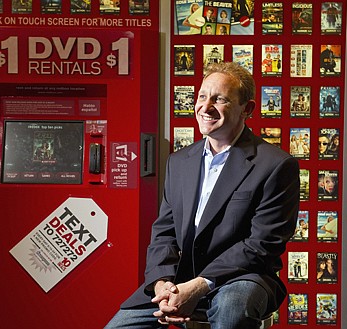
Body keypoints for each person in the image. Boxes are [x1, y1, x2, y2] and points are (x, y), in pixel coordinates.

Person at [105, 62, 300, 329]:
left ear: (248, 109)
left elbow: (261, 245)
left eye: (219, 99)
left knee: (232, 309)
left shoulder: (275, 165)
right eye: (202, 96)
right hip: (180, 278)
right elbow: (164, 232)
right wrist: (163, 284)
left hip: (243, 277)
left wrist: (198, 286)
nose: (205, 107)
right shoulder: (179, 161)